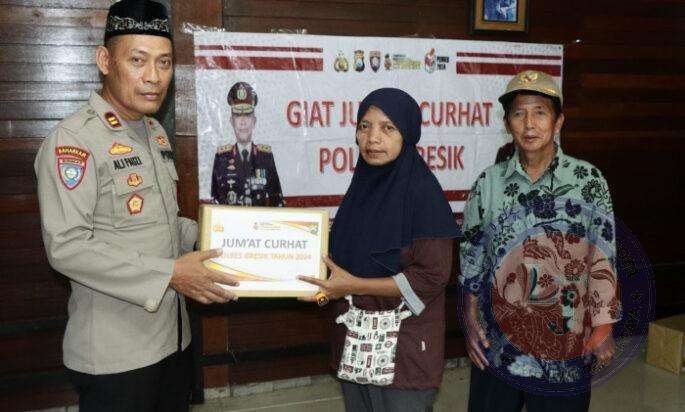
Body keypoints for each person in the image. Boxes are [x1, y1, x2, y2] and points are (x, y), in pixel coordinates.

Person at [34, 1, 239, 410]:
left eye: (164, 62)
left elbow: (160, 223)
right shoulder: (74, 140)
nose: (153, 77)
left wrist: (223, 234)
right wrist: (171, 274)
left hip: (171, 341)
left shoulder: (153, 132)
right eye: (138, 60)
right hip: (116, 355)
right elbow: (68, 246)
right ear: (105, 61)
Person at [459, 70, 620, 412]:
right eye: (519, 113)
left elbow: (603, 257)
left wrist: (603, 325)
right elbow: (471, 257)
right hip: (497, 347)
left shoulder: (588, 181)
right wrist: (469, 321)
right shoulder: (488, 184)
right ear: (507, 123)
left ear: (558, 121)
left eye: (540, 112)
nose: (529, 124)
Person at [299, 88, 461, 411]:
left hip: (405, 354)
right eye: (364, 126)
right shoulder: (361, 187)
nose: (373, 138)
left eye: (388, 128)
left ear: (407, 134)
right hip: (354, 346)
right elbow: (341, 265)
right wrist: (319, 289)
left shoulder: (423, 194)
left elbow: (431, 277)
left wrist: (354, 285)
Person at [211, 81, 284, 206]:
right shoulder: (222, 157)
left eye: (247, 115)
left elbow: (277, 200)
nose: (243, 122)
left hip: (260, 218)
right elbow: (216, 200)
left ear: (254, 121)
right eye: (238, 116)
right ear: (232, 121)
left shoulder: (265, 157)